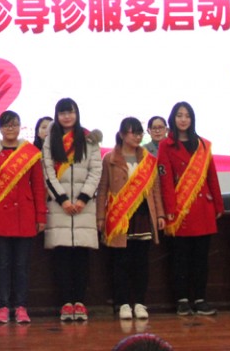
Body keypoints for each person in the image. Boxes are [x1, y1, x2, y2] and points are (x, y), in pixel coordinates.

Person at [0, 111, 46, 324]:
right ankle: (3, 307)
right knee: (2, 265)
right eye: (6, 125)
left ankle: (21, 307)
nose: (10, 129)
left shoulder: (30, 153)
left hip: (25, 216)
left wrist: (41, 216)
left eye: (14, 125)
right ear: (0, 128)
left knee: (22, 266)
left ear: (20, 127)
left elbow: (38, 187)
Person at [158, 101, 223, 316]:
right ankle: (182, 299)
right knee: (180, 258)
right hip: (179, 209)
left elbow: (212, 176)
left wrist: (218, 204)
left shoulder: (203, 145)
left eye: (187, 115)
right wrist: (169, 208)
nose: (183, 119)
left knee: (201, 258)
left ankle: (200, 298)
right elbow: (165, 180)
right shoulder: (166, 145)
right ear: (173, 119)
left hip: (203, 208)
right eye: (179, 115)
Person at [97, 117, 164, 321]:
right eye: (133, 132)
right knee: (121, 262)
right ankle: (123, 303)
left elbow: (155, 189)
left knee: (141, 262)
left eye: (139, 132)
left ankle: (140, 303)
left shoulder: (148, 160)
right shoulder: (110, 159)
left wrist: (160, 214)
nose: (137, 136)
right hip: (120, 217)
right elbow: (102, 189)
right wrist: (100, 217)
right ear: (122, 134)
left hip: (143, 216)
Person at [42, 98, 102, 321]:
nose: (67, 117)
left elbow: (96, 171)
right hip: (60, 208)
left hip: (84, 207)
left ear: (77, 114)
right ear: (57, 116)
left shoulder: (88, 139)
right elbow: (48, 173)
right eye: (62, 113)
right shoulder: (50, 141)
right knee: (62, 257)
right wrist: (63, 200)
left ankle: (80, 302)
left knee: (81, 257)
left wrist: (83, 198)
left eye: (70, 112)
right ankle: (66, 303)